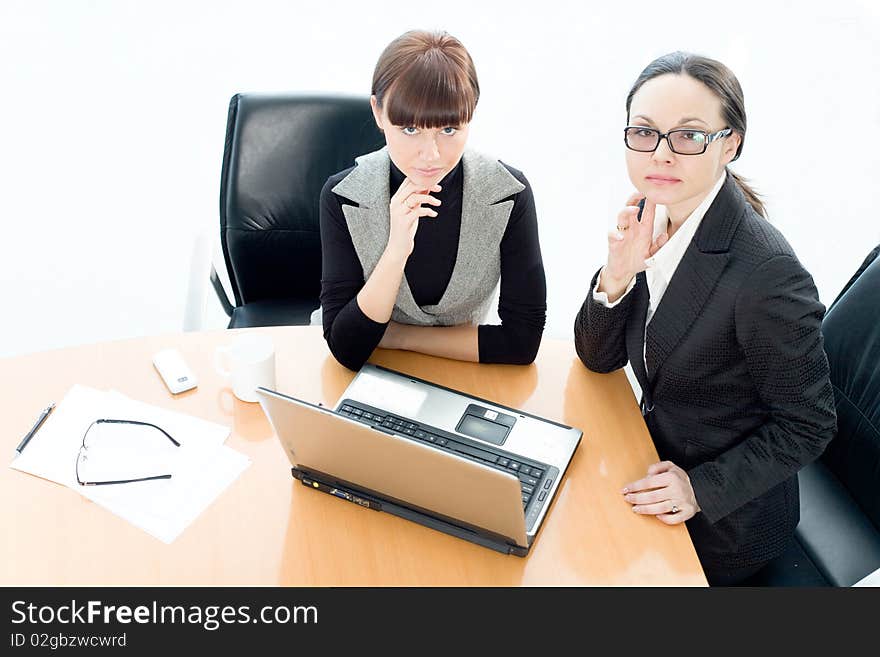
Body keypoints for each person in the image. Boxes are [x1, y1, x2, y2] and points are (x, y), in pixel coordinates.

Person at [573, 52, 837, 585]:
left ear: (731, 144)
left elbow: (809, 424)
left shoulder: (768, 275)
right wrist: (617, 276)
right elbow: (597, 358)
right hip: (650, 454)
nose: (662, 154)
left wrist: (700, 488)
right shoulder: (655, 213)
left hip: (721, 523)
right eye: (645, 132)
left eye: (689, 136)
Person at [319, 30, 546, 371]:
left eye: (449, 130)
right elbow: (347, 349)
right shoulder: (345, 196)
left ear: (471, 115)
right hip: (378, 372)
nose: (431, 155)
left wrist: (397, 336)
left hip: (463, 371)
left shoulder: (507, 193)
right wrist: (396, 250)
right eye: (410, 130)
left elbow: (522, 343)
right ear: (379, 114)